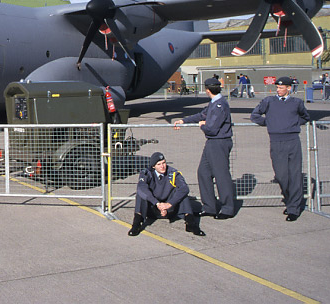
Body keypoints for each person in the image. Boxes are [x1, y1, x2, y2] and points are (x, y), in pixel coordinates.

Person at [250, 76, 311, 221]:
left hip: (293, 141)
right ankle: (290, 201)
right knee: (282, 176)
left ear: (289, 88)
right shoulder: (269, 101)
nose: (278, 90)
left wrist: (293, 125)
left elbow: (305, 117)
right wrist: (270, 123)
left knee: (295, 175)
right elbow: (255, 115)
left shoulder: (297, 102)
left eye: (281, 88)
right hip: (276, 141)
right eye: (277, 87)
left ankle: (293, 209)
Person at [173, 77, 236, 219]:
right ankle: (209, 207)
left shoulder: (220, 105)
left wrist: (202, 125)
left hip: (219, 142)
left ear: (207, 90)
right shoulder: (214, 103)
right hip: (212, 143)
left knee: (221, 176)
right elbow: (202, 115)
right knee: (203, 173)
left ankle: (227, 208)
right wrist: (184, 120)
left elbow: (211, 129)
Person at [128, 152, 205, 237]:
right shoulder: (147, 173)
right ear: (153, 166)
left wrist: (169, 204)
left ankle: (191, 223)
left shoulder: (173, 173)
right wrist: (157, 204)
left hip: (170, 209)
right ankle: (136, 224)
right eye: (159, 164)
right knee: (141, 193)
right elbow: (141, 187)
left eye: (164, 163)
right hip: (153, 208)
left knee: (182, 193)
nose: (162, 166)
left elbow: (184, 188)